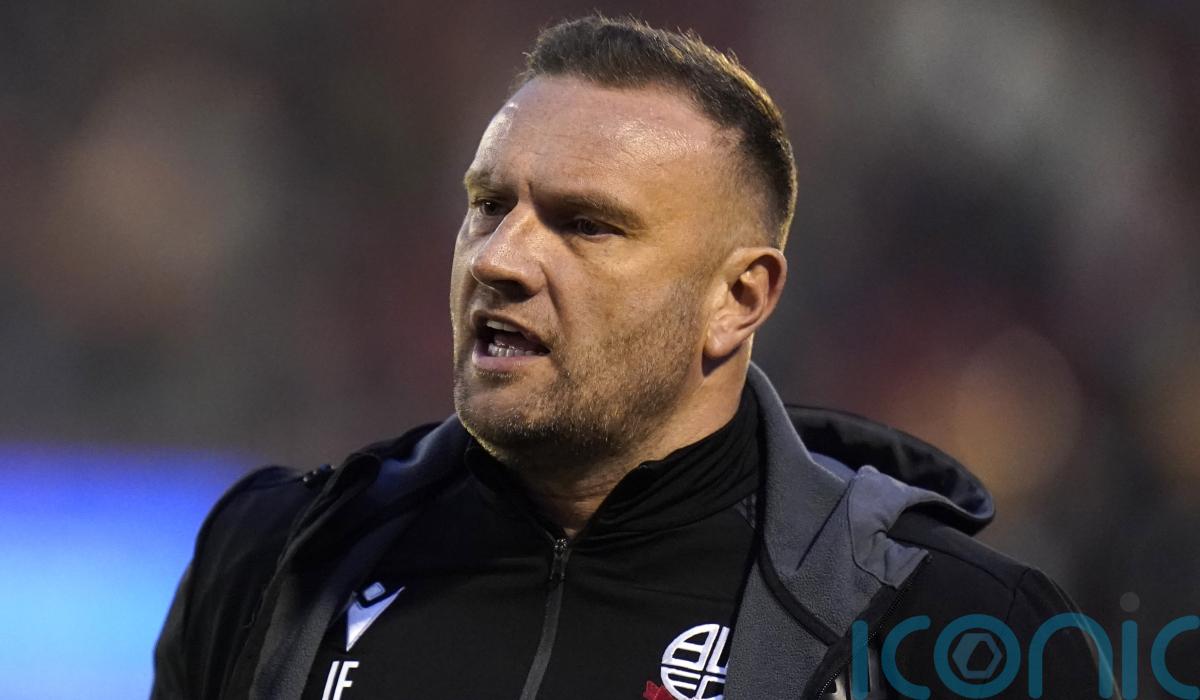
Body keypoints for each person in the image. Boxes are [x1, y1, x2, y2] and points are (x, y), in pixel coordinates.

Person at [153, 16, 1113, 700]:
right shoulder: (278, 561)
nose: (500, 258)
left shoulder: (946, 628)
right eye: (488, 205)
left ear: (738, 300)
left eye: (586, 225)